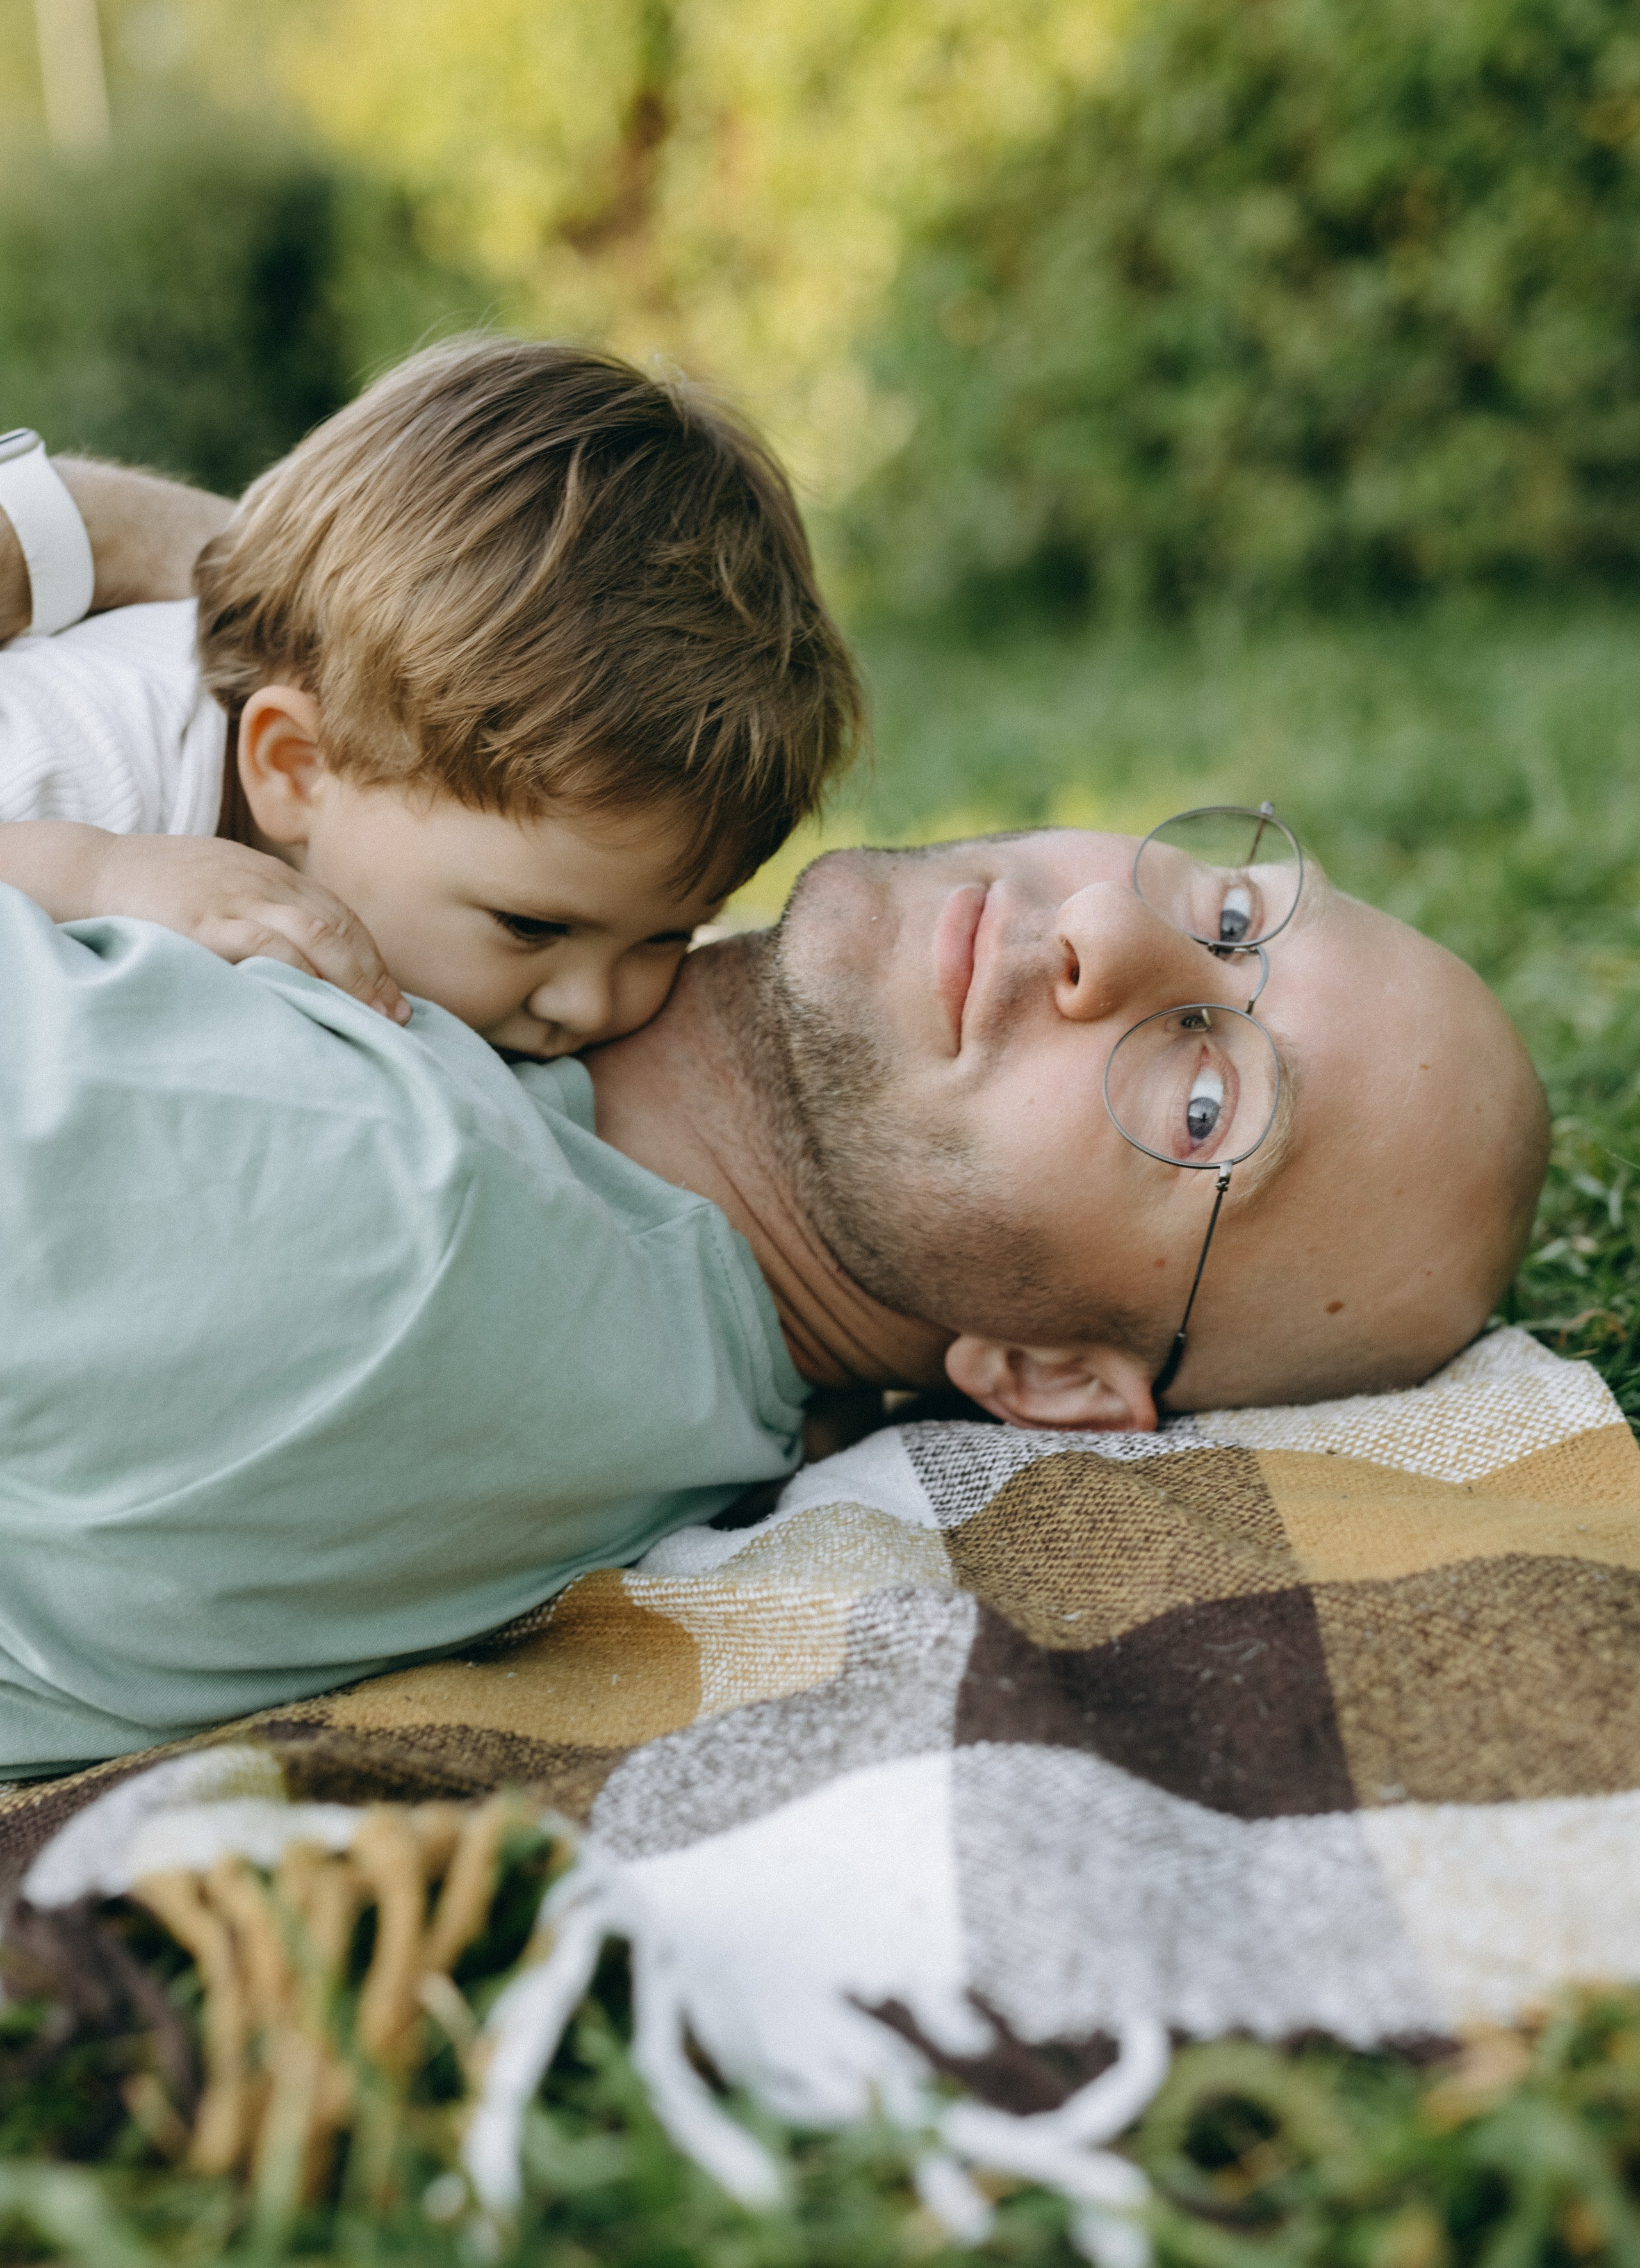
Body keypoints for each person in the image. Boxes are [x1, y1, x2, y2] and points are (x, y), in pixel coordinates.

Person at [0, 471, 1548, 1777]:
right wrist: (275, 584)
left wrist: (82, 532)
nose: (1106, 931)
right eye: (1229, 914)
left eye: (1203, 1105)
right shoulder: (661, 1355)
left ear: (1047, 1379)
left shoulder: (382, 1207)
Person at [0, 341, 860, 1054]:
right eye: (531, 927)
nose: (591, 1006)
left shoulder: (413, 810)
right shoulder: (88, 755)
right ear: (297, 767)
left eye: (668, 936)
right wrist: (94, 874)